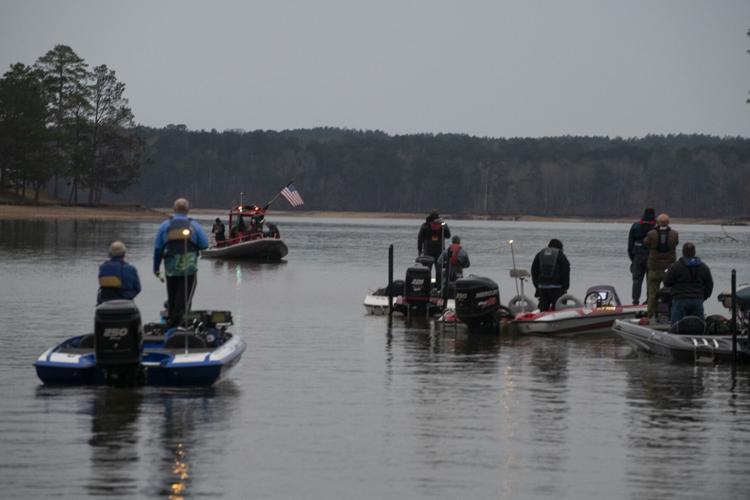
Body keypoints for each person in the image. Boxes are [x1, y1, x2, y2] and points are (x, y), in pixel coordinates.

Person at [153, 198, 209, 327]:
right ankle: (181, 326)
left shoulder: (165, 226)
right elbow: (205, 245)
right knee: (184, 299)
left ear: (174, 209)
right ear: (187, 210)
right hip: (189, 269)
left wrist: (156, 269)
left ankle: (171, 322)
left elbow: (158, 249)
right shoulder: (193, 225)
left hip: (170, 269)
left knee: (172, 297)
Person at [663, 242, 713, 324]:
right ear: (694, 252)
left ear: (683, 252)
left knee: (676, 326)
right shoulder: (704, 267)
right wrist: (703, 297)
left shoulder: (675, 266)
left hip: (680, 300)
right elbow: (709, 285)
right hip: (697, 300)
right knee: (698, 326)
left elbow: (667, 283)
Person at [644, 213, 679, 318]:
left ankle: (651, 314)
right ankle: (666, 313)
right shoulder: (674, 234)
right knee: (668, 293)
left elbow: (646, 243)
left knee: (652, 293)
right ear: (668, 222)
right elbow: (675, 243)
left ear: (657, 222)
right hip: (669, 269)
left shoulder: (651, 234)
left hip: (654, 268)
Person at [531, 238, 571, 311]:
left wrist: (537, 286)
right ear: (560, 248)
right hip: (557, 289)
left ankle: (539, 319)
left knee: (542, 308)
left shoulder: (540, 254)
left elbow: (534, 271)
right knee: (559, 309)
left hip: (542, 288)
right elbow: (565, 271)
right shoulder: (560, 255)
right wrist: (565, 287)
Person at [97, 240, 141, 305]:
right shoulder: (131, 269)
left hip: (105, 303)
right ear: (124, 253)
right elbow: (138, 289)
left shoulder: (102, 268)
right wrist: (127, 297)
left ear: (110, 254)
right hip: (126, 303)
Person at [627, 207, 656, 305]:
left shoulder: (635, 226)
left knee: (636, 280)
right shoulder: (656, 228)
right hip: (651, 257)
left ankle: (635, 301)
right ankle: (649, 301)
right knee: (651, 280)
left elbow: (630, 245)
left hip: (637, 256)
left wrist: (633, 259)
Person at [417, 210, 451, 280]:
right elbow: (448, 235)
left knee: (427, 270)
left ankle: (427, 285)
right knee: (439, 271)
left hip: (428, 251)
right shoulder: (442, 225)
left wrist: (419, 250)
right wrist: (443, 223)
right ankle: (438, 286)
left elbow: (420, 238)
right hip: (439, 251)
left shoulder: (425, 225)